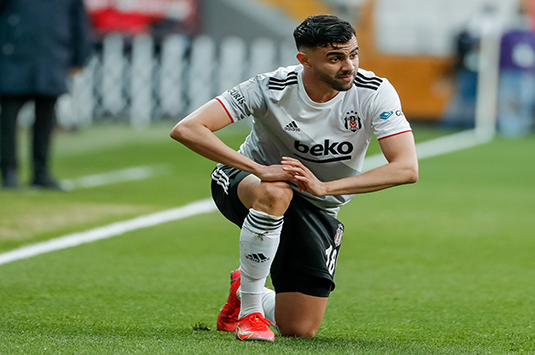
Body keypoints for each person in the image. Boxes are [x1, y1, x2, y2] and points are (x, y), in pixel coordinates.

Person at [170, 14, 418, 341]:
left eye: (353, 54)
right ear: (305, 60)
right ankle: (251, 316)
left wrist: (324, 187)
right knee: (277, 191)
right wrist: (258, 169)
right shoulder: (270, 87)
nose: (349, 66)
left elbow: (406, 168)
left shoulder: (374, 92)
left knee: (299, 328)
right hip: (244, 181)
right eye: (335, 58)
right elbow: (187, 128)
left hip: (318, 203)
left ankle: (245, 291)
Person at [0, 0, 92, 189]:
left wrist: (79, 57)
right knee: (8, 119)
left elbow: (78, 22)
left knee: (46, 118)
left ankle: (41, 172)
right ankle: (9, 172)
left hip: (51, 56)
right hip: (14, 55)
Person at [496, 2, 535, 136]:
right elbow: (501, 54)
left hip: (528, 74)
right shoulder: (508, 34)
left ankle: (523, 127)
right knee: (508, 102)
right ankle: (509, 129)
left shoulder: (534, 35)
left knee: (527, 101)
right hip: (510, 72)